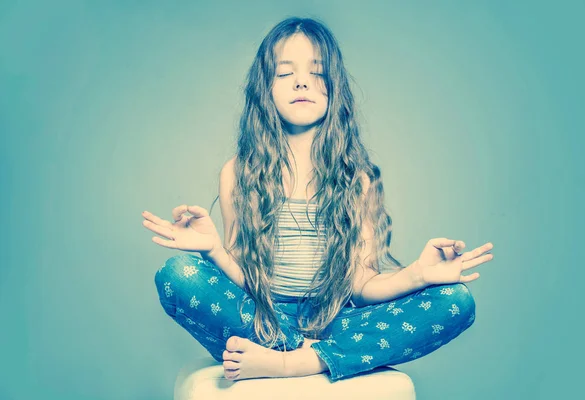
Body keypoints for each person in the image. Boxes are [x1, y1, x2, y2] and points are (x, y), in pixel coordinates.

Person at [142, 16, 494, 383]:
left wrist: (419, 274)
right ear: (266, 90)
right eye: (284, 73)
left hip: (333, 324)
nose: (301, 81)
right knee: (176, 275)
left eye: (317, 71)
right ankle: (304, 352)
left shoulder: (358, 179)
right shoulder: (238, 172)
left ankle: (294, 361)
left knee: (455, 301)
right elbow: (247, 279)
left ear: (334, 87)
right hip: (263, 320)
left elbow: (362, 284)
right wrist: (213, 249)